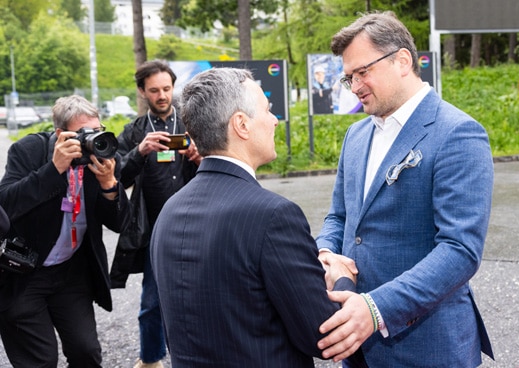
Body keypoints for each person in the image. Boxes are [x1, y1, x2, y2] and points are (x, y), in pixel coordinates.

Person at [150, 67, 364, 367]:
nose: (274, 120)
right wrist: (343, 278)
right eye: (267, 109)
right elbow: (324, 335)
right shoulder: (273, 215)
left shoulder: (170, 211)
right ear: (242, 125)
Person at [314, 11, 495, 367]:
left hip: (427, 348)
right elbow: (340, 216)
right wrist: (324, 255)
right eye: (348, 77)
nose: (355, 86)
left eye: (363, 72)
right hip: (357, 345)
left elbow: (460, 250)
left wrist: (376, 309)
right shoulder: (356, 135)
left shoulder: (458, 132)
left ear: (402, 60)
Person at [0, 95, 130, 367]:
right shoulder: (29, 150)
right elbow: (7, 205)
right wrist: (53, 169)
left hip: (71, 273)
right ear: (60, 133)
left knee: (86, 352)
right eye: (82, 134)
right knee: (40, 360)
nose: (91, 140)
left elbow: (120, 223)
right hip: (24, 272)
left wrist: (109, 185)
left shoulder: (102, 153)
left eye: (96, 131)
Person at [109, 59, 201, 368]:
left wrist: (201, 156)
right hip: (154, 230)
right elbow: (115, 175)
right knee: (152, 302)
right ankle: (150, 360)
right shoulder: (134, 131)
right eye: (154, 91)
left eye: (166, 89)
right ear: (142, 92)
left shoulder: (193, 123)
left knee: (202, 296)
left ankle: (202, 356)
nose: (162, 96)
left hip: (197, 224)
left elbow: (225, 161)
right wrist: (140, 151)